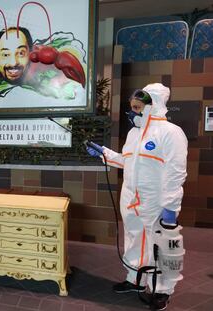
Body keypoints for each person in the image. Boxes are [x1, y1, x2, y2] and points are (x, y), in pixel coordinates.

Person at [86, 83, 188, 310]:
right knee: (133, 238)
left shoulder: (171, 133)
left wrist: (171, 207)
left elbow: (176, 172)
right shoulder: (134, 133)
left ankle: (163, 290)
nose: (135, 106)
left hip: (156, 202)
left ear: (155, 102)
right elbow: (127, 160)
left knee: (162, 245)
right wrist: (105, 153)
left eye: (141, 101)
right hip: (131, 199)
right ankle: (136, 280)